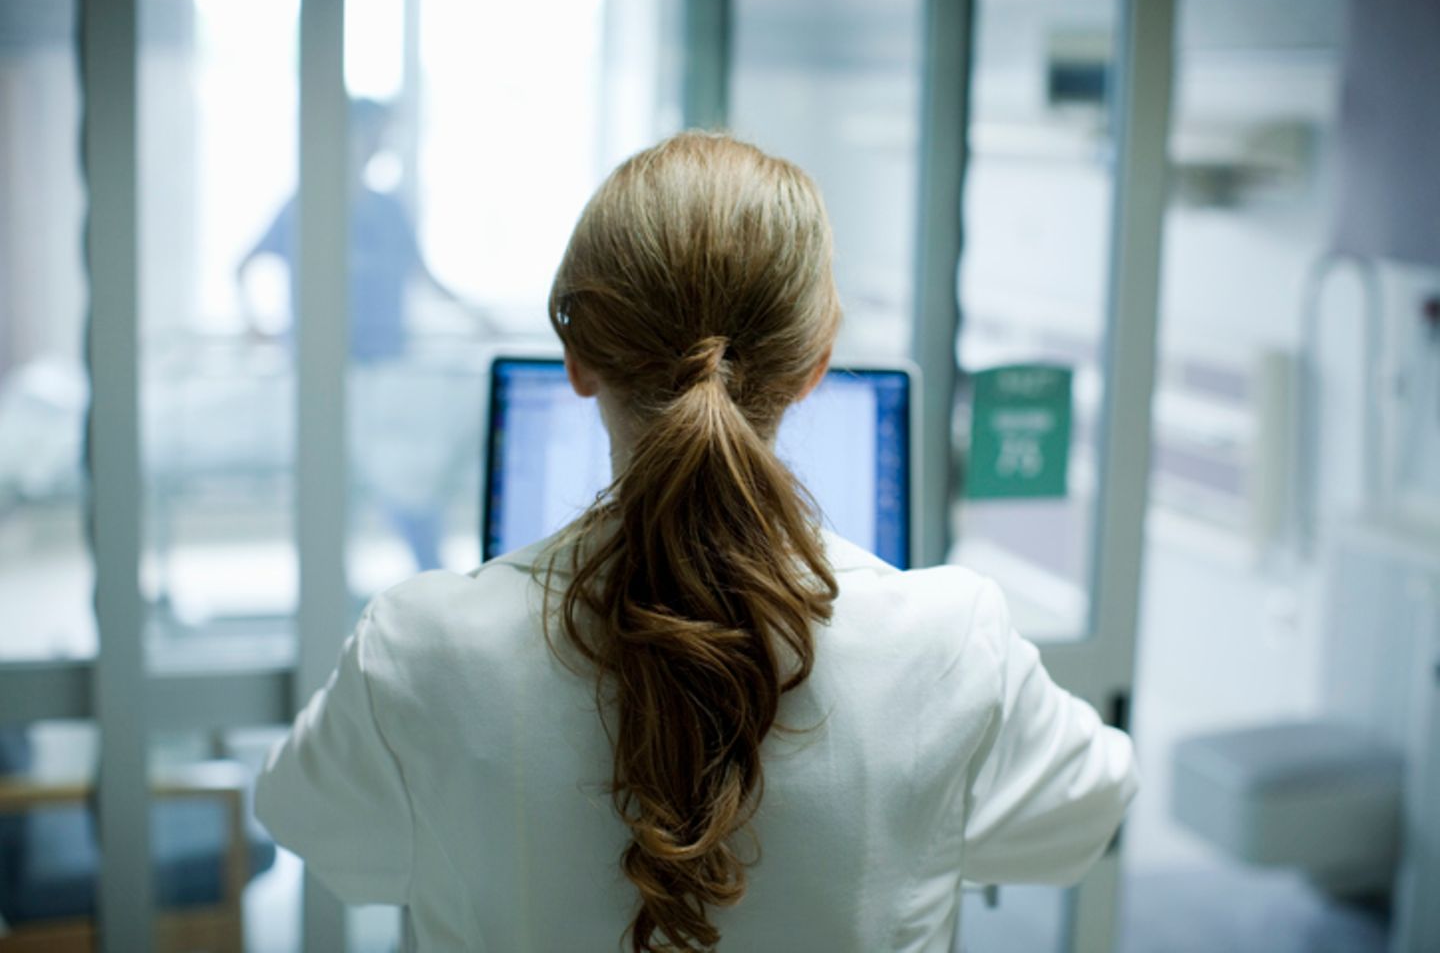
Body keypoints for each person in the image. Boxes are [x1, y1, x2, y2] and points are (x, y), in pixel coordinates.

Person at [255, 132, 1137, 952]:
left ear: (578, 356)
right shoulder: (948, 642)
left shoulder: (421, 647)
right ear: (816, 364)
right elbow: (1090, 810)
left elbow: (313, 826)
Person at [237, 97, 473, 572]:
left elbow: (422, 276)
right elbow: (243, 267)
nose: (377, 146)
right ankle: (340, 585)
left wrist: (479, 319)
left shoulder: (387, 212)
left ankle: (431, 577)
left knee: (407, 483)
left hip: (384, 373)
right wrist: (254, 326)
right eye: (371, 135)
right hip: (326, 375)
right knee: (349, 488)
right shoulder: (305, 208)